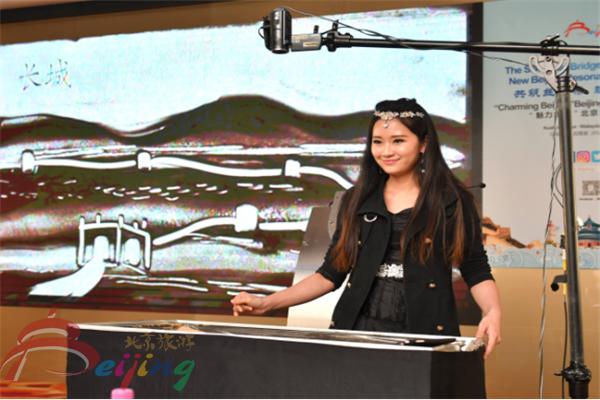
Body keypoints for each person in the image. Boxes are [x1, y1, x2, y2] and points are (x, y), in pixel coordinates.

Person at [231, 98, 501, 358]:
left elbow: (475, 269)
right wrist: (267, 303)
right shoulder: (355, 200)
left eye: (398, 141)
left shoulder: (452, 201)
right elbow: (330, 274)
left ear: (424, 144)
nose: (386, 151)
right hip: (358, 331)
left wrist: (493, 311)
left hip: (427, 334)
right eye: (377, 141)